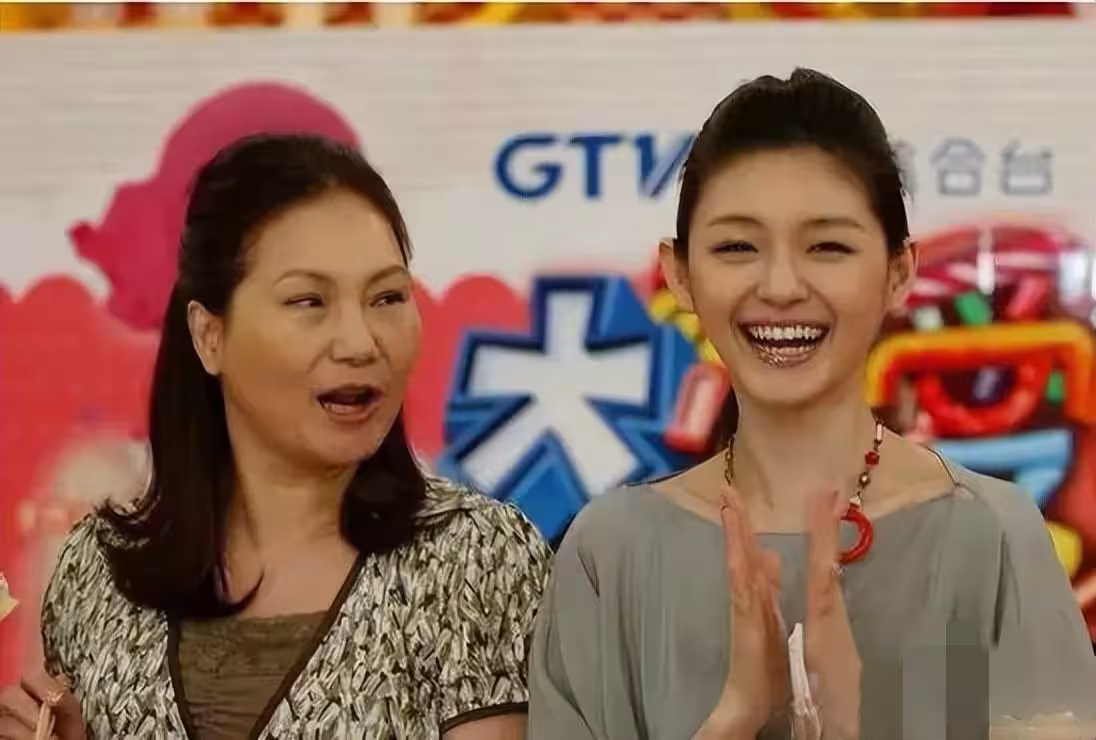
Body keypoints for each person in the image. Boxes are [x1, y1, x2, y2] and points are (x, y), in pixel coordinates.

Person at [527, 69, 1096, 740]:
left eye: (828, 246)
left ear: (898, 273)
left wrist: (856, 722)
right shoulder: (612, 554)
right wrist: (733, 720)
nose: (781, 286)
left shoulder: (988, 535)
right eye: (737, 247)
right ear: (679, 274)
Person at [0, 134, 552, 740]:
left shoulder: (477, 558)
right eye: (309, 301)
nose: (360, 342)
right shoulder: (98, 569)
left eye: (388, 297)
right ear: (209, 335)